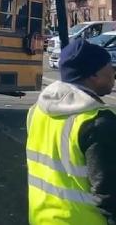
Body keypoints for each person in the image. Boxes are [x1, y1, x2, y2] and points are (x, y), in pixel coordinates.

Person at [27, 37, 116, 224]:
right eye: (110, 66)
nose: (114, 73)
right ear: (93, 75)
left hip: (41, 218)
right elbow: (108, 192)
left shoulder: (37, 111)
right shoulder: (97, 123)